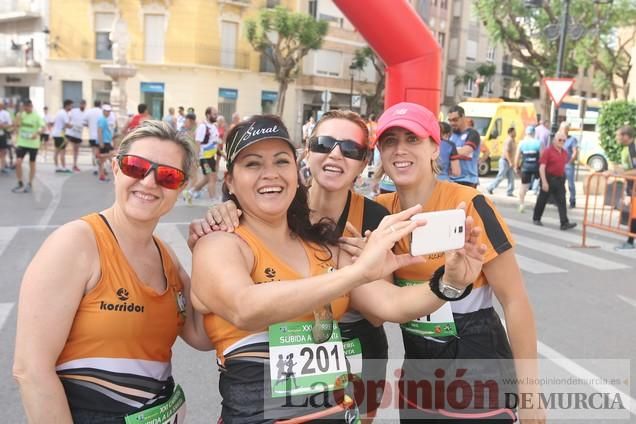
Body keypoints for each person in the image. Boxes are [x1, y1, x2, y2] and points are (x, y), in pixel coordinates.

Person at [189, 114, 485, 423]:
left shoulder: (324, 244)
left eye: (281, 162)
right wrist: (355, 273)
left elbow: (391, 304)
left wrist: (449, 283)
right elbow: (244, 307)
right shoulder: (220, 244)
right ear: (230, 180)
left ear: (296, 170)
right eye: (252, 164)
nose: (270, 174)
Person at [13, 121, 212, 423]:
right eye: (135, 166)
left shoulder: (165, 255)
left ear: (181, 187)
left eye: (168, 176)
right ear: (117, 169)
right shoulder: (75, 244)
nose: (148, 182)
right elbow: (30, 371)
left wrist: (213, 248)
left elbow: (201, 335)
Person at [372, 102, 543, 423]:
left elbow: (515, 299)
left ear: (435, 148)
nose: (400, 150)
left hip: (479, 370)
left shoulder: (469, 204)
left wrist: (531, 395)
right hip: (419, 374)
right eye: (390, 141)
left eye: (412, 139)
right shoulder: (380, 213)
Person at [532, 132, 577, 230]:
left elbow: (563, 165)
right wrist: (544, 181)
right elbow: (542, 167)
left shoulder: (564, 153)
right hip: (548, 178)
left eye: (564, 140)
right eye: (559, 140)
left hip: (559, 179)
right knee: (542, 199)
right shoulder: (548, 151)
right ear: (554, 140)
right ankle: (536, 218)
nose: (562, 142)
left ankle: (564, 223)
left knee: (562, 201)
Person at [11, 100, 45, 193]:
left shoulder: (36, 116)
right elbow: (15, 126)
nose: (27, 108)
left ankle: (30, 183)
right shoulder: (20, 115)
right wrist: (19, 116)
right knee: (18, 162)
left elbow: (43, 127)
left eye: (28, 106)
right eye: (25, 106)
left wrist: (37, 133)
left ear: (31, 106)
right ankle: (20, 182)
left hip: (33, 144)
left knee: (32, 164)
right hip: (22, 143)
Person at [188, 106, 220, 200]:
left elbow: (214, 142)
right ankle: (213, 199)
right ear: (208, 115)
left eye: (216, 114)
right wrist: (197, 158)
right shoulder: (203, 127)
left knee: (207, 178)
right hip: (204, 157)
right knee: (212, 177)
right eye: (214, 114)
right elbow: (198, 142)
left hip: (211, 156)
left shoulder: (213, 127)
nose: (216, 116)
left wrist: (222, 154)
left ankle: (190, 192)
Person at [448, 105, 481, 188]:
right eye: (450, 120)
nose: (452, 123)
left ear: (463, 117)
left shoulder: (473, 134)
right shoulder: (450, 135)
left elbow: (465, 151)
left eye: (455, 120)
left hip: (468, 180)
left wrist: (446, 151)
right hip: (451, 180)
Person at [614, 126, 636, 250]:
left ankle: (630, 242)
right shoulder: (627, 148)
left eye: (619, 135)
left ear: (626, 136)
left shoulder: (633, 149)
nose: (617, 138)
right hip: (632, 187)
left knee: (634, 215)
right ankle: (630, 240)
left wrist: (619, 173)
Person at [515, 125, 541, 213]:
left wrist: (516, 167)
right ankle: (538, 205)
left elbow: (517, 157)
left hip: (525, 167)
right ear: (534, 133)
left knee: (523, 186)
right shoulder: (538, 143)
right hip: (536, 167)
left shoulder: (522, 143)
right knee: (539, 186)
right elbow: (542, 157)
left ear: (526, 133)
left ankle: (521, 204)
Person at [487, 126, 517, 196]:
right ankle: (490, 187)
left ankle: (510, 191)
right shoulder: (508, 140)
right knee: (501, 176)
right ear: (511, 132)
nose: (515, 133)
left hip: (510, 161)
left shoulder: (513, 140)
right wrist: (510, 161)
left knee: (511, 177)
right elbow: (506, 152)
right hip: (505, 161)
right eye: (514, 132)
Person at [65, 99, 87, 172]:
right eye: (81, 104)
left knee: (76, 150)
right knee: (65, 148)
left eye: (83, 104)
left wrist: (85, 125)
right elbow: (67, 117)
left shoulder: (86, 113)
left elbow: (87, 123)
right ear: (79, 104)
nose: (82, 105)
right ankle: (63, 165)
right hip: (70, 133)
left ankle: (74, 165)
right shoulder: (74, 111)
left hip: (78, 134)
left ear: (85, 105)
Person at [51, 99, 73, 173]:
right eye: (70, 105)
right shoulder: (64, 113)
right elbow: (67, 124)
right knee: (62, 151)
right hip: (60, 135)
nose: (71, 107)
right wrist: (73, 126)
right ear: (67, 105)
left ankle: (57, 166)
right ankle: (63, 167)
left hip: (57, 134)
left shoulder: (59, 112)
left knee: (57, 151)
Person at [561, 122, 578, 208]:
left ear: (567, 130)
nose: (562, 130)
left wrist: (571, 161)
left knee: (570, 184)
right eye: (561, 128)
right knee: (560, 183)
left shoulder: (572, 139)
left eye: (564, 129)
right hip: (560, 164)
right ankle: (561, 200)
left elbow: (575, 152)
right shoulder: (559, 139)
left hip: (568, 165)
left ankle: (572, 200)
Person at [96, 105, 116, 182]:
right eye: (106, 111)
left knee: (102, 160)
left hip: (106, 141)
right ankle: (99, 155)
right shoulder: (102, 119)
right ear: (103, 111)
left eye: (109, 111)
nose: (108, 113)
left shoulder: (104, 119)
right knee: (113, 154)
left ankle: (102, 176)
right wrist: (101, 142)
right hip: (104, 142)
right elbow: (99, 131)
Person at [85, 100, 103, 175]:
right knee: (100, 153)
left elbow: (84, 123)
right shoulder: (102, 112)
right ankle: (100, 168)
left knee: (93, 152)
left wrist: (90, 126)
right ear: (100, 104)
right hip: (100, 136)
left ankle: (95, 168)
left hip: (92, 136)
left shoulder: (89, 112)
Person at [0, 100, 13, 174]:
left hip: (2, 134)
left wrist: (3, 126)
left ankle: (3, 167)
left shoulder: (6, 114)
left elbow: (10, 124)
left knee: (3, 151)